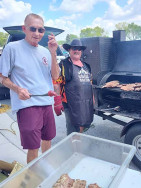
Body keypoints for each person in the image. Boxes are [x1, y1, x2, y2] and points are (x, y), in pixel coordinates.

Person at [0, 13, 59, 163]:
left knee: (48, 139)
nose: (37, 33)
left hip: (46, 103)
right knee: (33, 147)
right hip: (28, 105)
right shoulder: (12, 48)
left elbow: (55, 76)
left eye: (41, 30)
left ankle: (47, 172)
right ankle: (34, 179)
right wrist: (17, 89)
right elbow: (2, 77)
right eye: (33, 29)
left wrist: (53, 53)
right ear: (24, 29)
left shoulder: (46, 51)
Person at [53, 39, 94, 135]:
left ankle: (79, 147)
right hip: (71, 105)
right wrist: (57, 101)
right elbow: (56, 82)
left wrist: (93, 100)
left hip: (86, 104)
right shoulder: (64, 65)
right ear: (69, 50)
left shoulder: (87, 66)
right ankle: (73, 149)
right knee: (73, 131)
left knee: (83, 127)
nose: (77, 50)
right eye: (74, 48)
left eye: (79, 49)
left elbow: (90, 83)